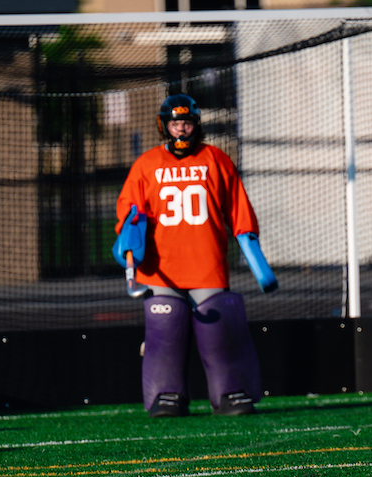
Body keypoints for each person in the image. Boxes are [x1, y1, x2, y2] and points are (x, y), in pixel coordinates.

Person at [113, 93, 275, 418]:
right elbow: (129, 214)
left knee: (220, 328)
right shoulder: (146, 165)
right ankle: (166, 394)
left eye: (187, 123)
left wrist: (253, 250)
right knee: (164, 329)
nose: (181, 129)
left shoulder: (216, 159)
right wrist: (129, 238)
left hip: (207, 264)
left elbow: (239, 209)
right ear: (164, 126)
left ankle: (231, 391)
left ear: (196, 125)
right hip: (161, 269)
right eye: (175, 123)